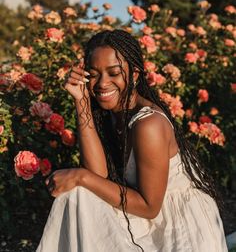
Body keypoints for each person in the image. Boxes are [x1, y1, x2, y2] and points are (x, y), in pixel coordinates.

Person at [37, 29, 228, 252]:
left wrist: (79, 175)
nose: (102, 83)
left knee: (79, 186)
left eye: (114, 73)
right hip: (147, 216)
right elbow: (98, 176)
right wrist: (81, 102)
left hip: (176, 227)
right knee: (79, 192)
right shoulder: (112, 113)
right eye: (94, 74)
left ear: (135, 74)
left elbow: (149, 207)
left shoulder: (149, 124)